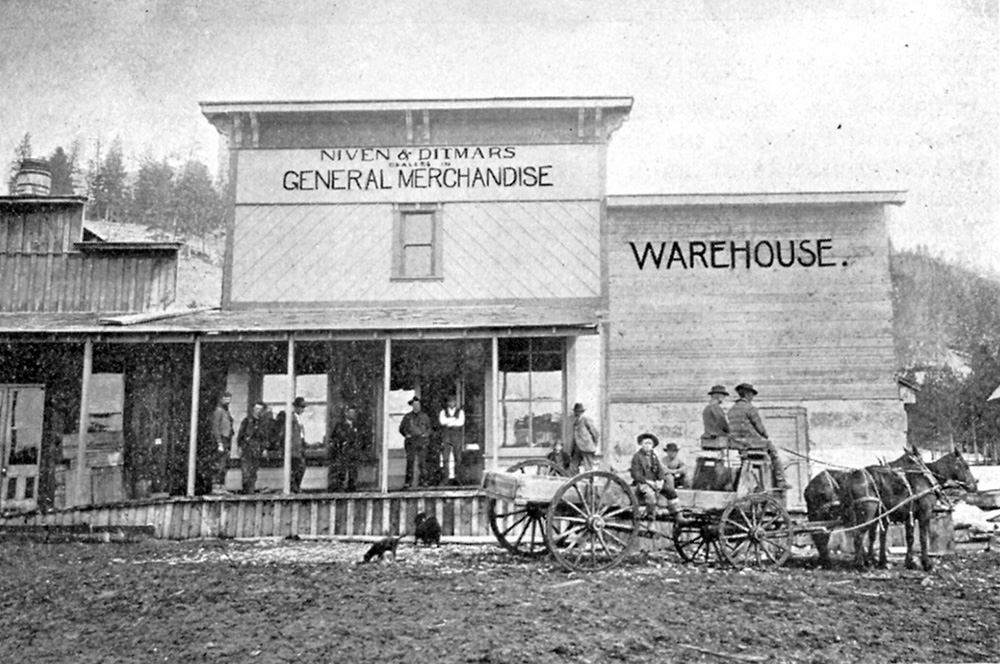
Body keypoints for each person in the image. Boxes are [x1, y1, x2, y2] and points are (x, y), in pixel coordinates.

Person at [728, 383, 789, 490]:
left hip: (738, 444)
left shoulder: (731, 410)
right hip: (751, 442)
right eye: (752, 395)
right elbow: (760, 428)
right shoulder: (750, 408)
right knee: (773, 453)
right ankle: (780, 481)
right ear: (747, 394)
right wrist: (766, 437)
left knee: (746, 462)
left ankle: (741, 484)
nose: (752, 397)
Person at [629, 433, 684, 522]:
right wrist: (648, 482)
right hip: (643, 483)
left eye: (650, 444)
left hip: (655, 482)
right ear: (641, 444)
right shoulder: (637, 457)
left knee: (670, 490)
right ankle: (651, 518)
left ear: (653, 446)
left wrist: (661, 480)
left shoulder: (654, 456)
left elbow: (660, 470)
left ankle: (677, 514)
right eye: (645, 443)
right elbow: (635, 474)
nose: (647, 446)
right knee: (650, 496)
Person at [236, 401, 272, 494]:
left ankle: (251, 490)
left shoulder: (263, 423)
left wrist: (264, 448)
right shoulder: (247, 421)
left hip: (257, 448)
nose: (258, 411)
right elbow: (241, 435)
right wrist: (239, 447)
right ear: (253, 410)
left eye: (260, 409)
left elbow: (265, 436)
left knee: (253, 470)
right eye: (256, 409)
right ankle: (246, 490)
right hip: (247, 448)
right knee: (246, 470)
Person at [274, 396, 309, 493]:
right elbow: (284, 433)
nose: (302, 409)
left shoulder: (298, 419)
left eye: (303, 407)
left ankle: (296, 487)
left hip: (299, 447)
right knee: (296, 468)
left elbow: (300, 434)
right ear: (295, 406)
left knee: (301, 467)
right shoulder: (290, 418)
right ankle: (294, 488)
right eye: (300, 407)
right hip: (293, 448)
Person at [329, 406, 364, 492]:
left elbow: (362, 438)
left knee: (353, 472)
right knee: (342, 472)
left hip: (354, 453)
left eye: (354, 413)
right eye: (350, 413)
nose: (352, 415)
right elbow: (334, 438)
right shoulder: (340, 425)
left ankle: (352, 489)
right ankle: (339, 489)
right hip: (343, 453)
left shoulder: (357, 426)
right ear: (346, 413)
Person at [399, 396, 431, 489]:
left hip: (422, 441)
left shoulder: (425, 416)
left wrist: (426, 434)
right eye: (414, 405)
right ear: (412, 406)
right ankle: (408, 482)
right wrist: (406, 434)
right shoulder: (407, 417)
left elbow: (429, 428)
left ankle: (424, 481)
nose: (416, 406)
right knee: (410, 462)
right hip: (411, 442)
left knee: (422, 463)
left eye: (418, 404)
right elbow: (401, 429)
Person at [209, 391, 234, 494]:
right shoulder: (219, 411)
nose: (227, 401)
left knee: (225, 463)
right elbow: (215, 427)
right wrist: (219, 442)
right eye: (225, 398)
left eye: (229, 399)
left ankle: (221, 486)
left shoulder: (226, 411)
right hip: (222, 439)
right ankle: (216, 486)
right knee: (220, 463)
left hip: (227, 439)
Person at [438, 395, 465, 486]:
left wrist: (448, 422)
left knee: (458, 458)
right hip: (446, 437)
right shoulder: (443, 412)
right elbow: (442, 421)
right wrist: (453, 420)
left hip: (456, 437)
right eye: (449, 402)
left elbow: (461, 422)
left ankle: (458, 478)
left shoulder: (460, 412)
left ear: (455, 403)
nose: (451, 403)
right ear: (447, 403)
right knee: (445, 458)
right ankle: (446, 478)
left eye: (453, 401)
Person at [569, 402, 599, 474]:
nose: (576, 413)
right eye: (576, 411)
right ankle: (575, 483)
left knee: (588, 468)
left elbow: (595, 433)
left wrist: (593, 445)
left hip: (586, 448)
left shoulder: (586, 420)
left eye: (578, 411)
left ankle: (590, 484)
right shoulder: (576, 422)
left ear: (581, 412)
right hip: (577, 448)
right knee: (573, 467)